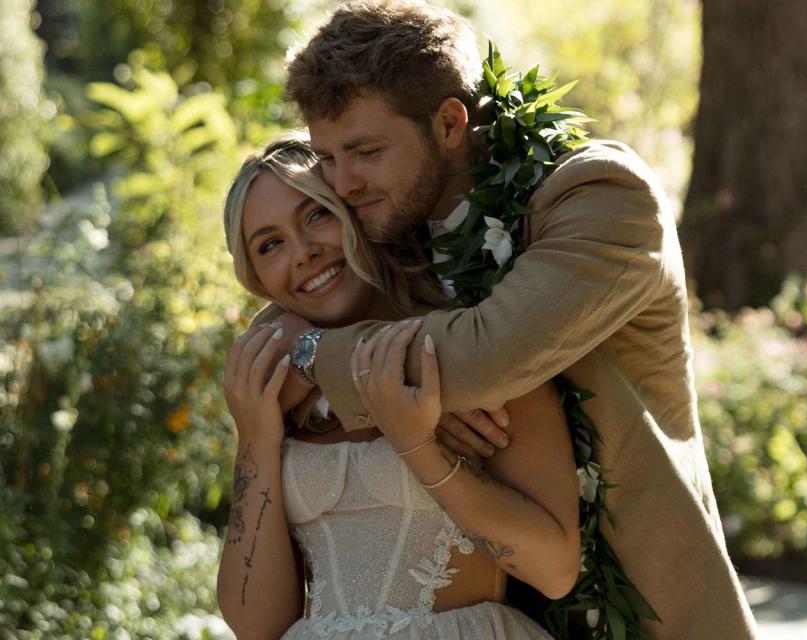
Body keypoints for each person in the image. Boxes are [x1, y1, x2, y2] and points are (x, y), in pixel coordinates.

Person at [260, 2, 761, 638]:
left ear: (448, 122)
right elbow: (274, 325)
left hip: (640, 610)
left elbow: (481, 358)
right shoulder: (386, 230)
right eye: (327, 157)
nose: (344, 183)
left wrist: (312, 353)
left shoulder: (601, 197)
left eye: (364, 151)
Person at [216, 136, 580, 639]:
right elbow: (257, 626)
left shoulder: (473, 350)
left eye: (317, 215)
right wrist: (255, 436)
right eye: (270, 244)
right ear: (255, 276)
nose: (303, 253)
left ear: (358, 213)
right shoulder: (278, 388)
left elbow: (554, 569)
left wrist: (417, 444)